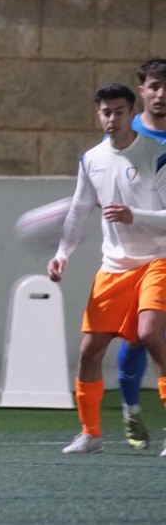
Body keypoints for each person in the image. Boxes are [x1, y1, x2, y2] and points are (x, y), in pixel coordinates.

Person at [50, 83, 166, 455]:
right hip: (113, 267)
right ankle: (90, 434)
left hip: (156, 262)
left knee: (150, 335)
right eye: (106, 112)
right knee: (89, 351)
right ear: (98, 115)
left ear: (131, 113)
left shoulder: (156, 156)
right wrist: (62, 254)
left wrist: (136, 215)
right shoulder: (91, 159)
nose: (112, 118)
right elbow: (79, 210)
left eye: (118, 111)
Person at [112, 58, 166, 448]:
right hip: (138, 253)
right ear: (142, 90)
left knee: (154, 335)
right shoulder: (125, 135)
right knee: (135, 338)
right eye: (155, 86)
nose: (161, 94)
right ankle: (131, 409)